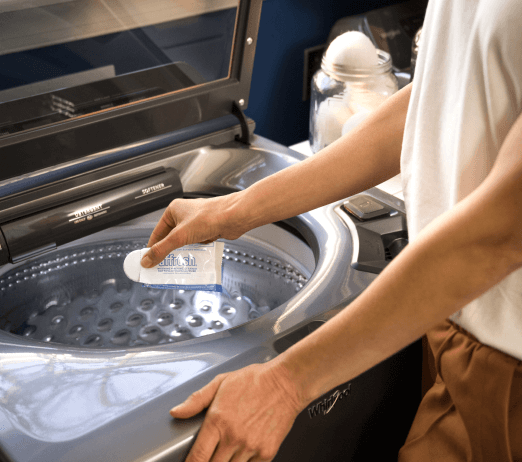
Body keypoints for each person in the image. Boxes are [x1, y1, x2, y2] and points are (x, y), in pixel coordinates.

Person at [140, 0, 522, 460]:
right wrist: (236, 209)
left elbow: (501, 231)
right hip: (452, 331)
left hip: (507, 375)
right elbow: (439, 99)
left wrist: (285, 383)